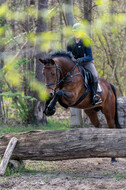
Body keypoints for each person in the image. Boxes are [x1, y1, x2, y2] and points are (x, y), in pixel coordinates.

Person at [66, 22, 102, 105]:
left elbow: (90, 56)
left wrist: (81, 59)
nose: (76, 33)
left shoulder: (86, 41)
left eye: (78, 32)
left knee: (94, 76)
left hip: (87, 63)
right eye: (75, 32)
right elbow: (67, 54)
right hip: (74, 64)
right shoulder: (70, 42)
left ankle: (94, 96)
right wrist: (72, 60)